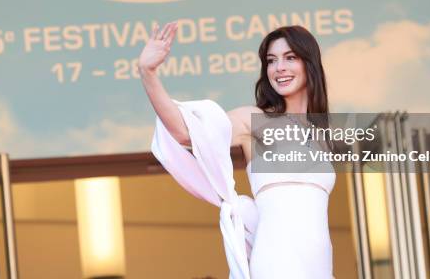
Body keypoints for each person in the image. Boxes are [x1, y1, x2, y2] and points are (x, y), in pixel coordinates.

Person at [138, 21, 335, 278]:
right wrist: (147, 72)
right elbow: (186, 132)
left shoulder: (322, 135)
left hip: (320, 269)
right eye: (271, 60)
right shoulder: (252, 120)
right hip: (277, 264)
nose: (279, 68)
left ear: (310, 63)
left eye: (290, 58)